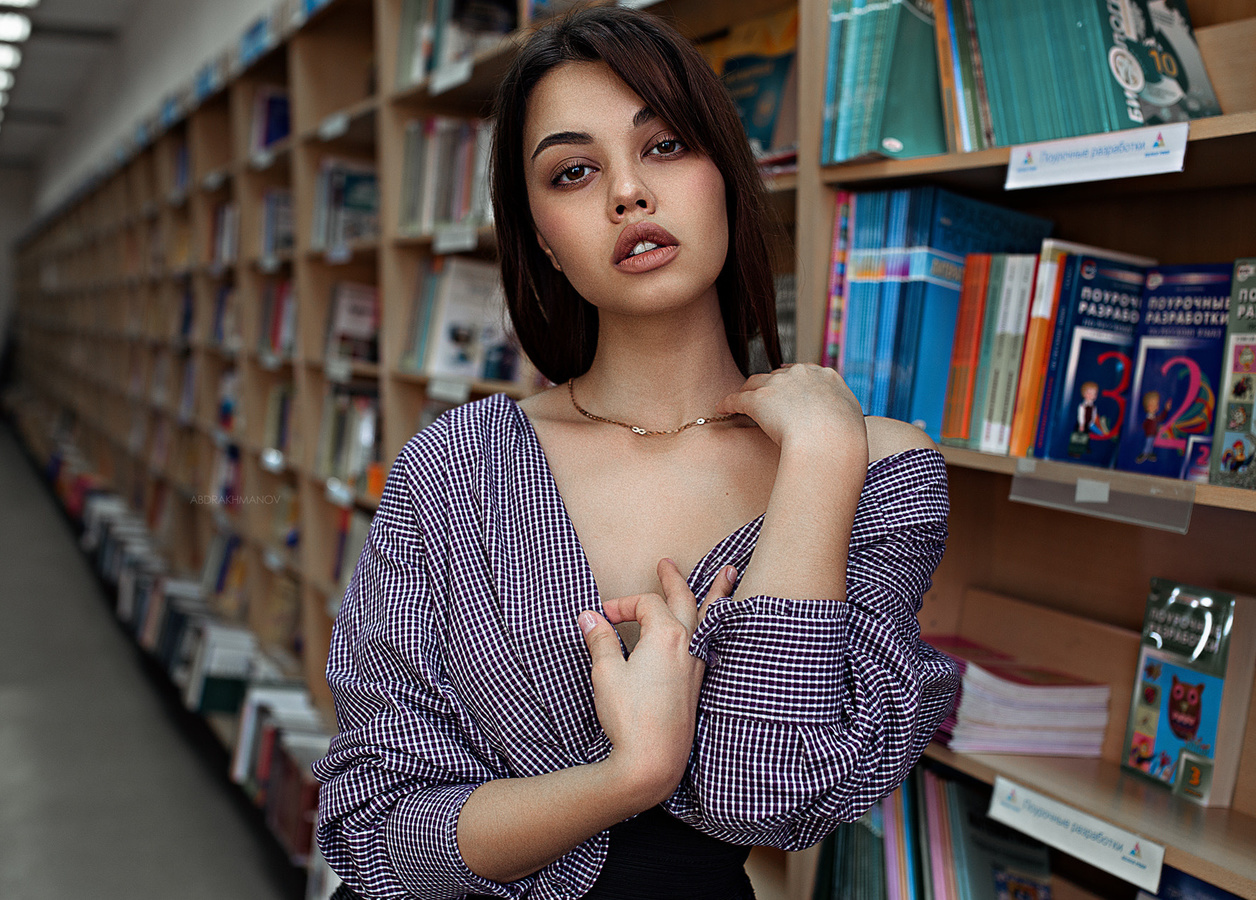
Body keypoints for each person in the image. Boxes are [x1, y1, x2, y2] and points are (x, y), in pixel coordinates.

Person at [312, 7, 957, 899]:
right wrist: (631, 776)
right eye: (574, 171)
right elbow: (373, 831)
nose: (627, 193)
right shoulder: (454, 465)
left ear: (728, 175)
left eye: (664, 147)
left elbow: (767, 791)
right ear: (540, 233)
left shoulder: (869, 468)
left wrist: (817, 456)